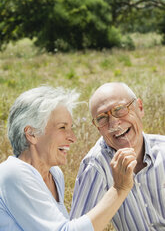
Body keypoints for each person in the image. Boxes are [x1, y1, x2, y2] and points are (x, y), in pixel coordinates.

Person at [0, 85, 136, 231]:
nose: (73, 138)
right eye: (62, 127)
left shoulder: (55, 175)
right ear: (32, 134)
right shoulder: (13, 174)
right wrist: (119, 189)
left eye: (71, 128)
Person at [70, 82, 165, 230]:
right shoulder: (95, 165)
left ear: (140, 108)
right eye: (102, 118)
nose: (114, 123)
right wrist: (118, 188)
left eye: (120, 109)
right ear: (97, 127)